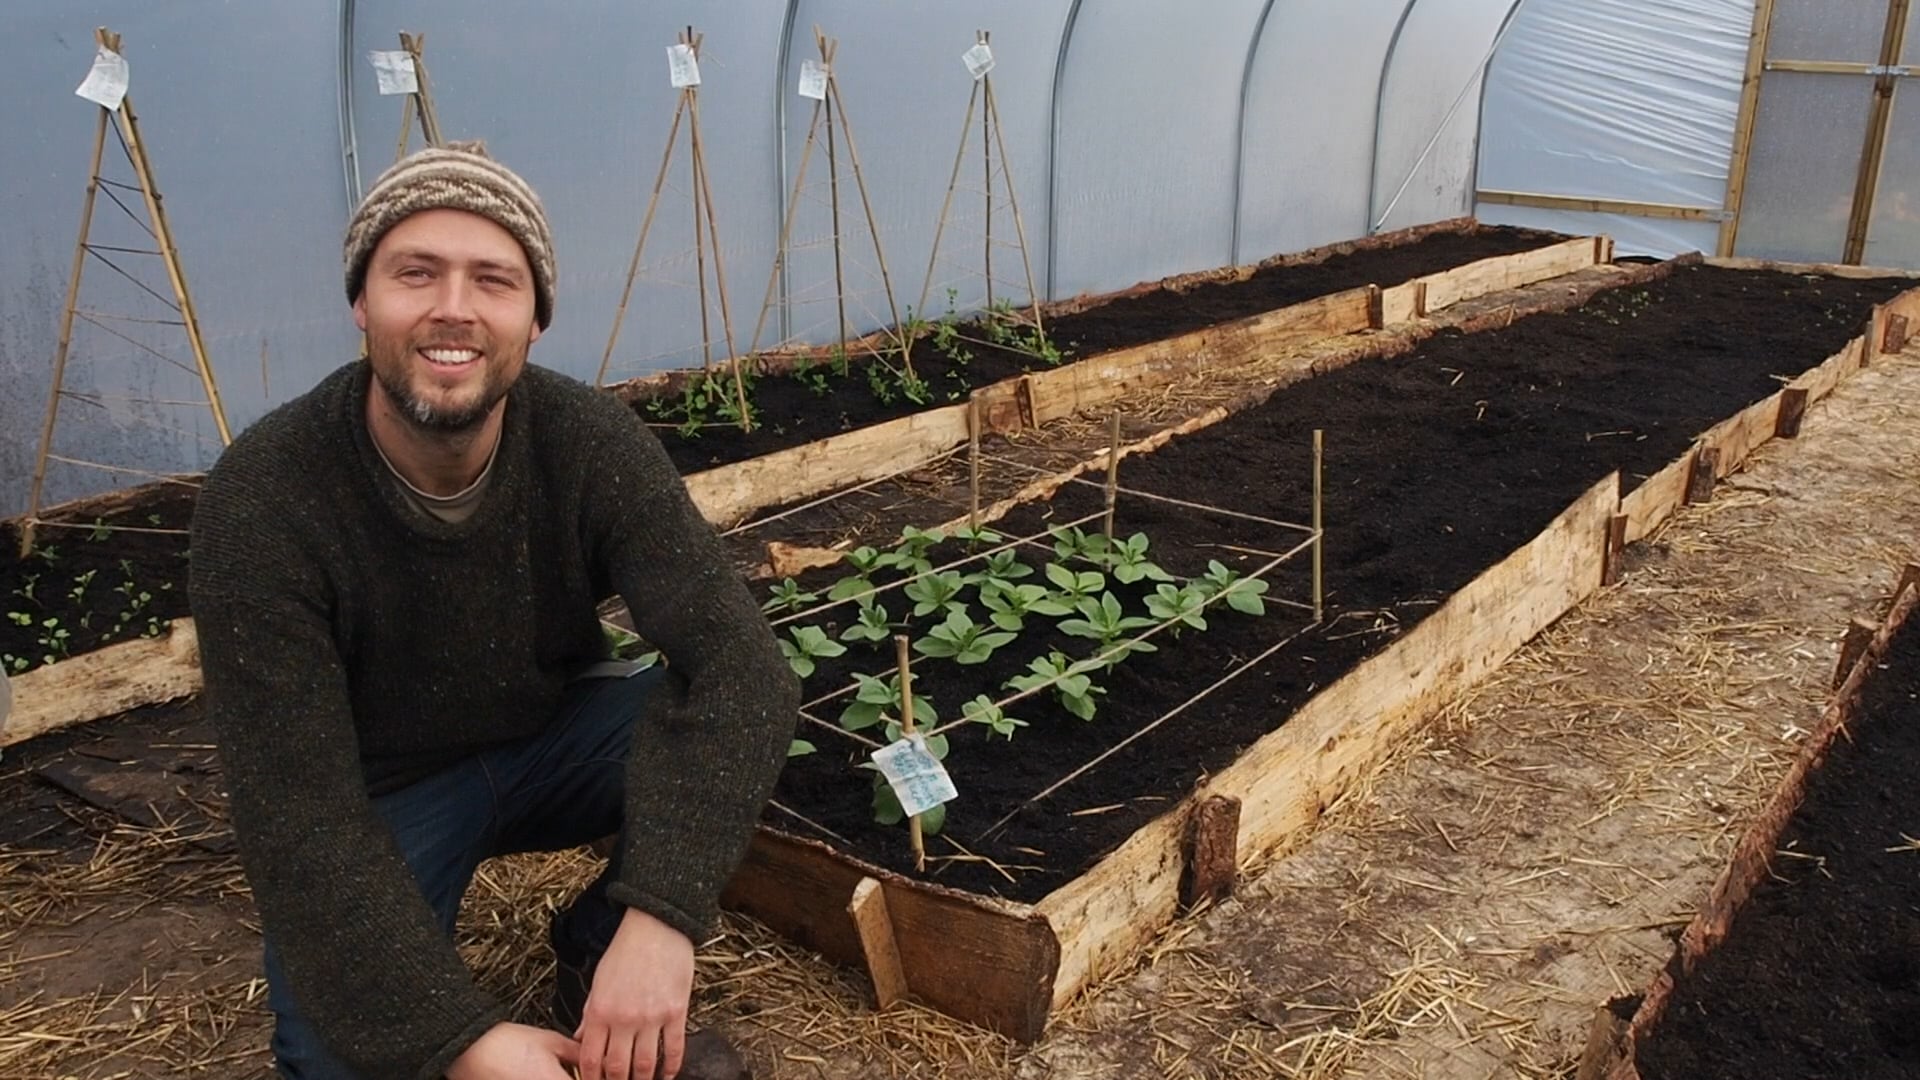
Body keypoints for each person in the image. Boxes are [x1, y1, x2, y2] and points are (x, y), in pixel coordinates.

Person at [189, 141, 798, 1080]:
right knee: (339, 1056)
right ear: (363, 302)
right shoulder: (268, 498)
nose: (454, 308)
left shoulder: (588, 441)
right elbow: (296, 814)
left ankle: (598, 957)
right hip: (380, 796)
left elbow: (742, 669)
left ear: (535, 318)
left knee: (729, 730)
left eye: (495, 280)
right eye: (415, 273)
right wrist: (465, 1044)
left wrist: (661, 916)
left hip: (553, 736)